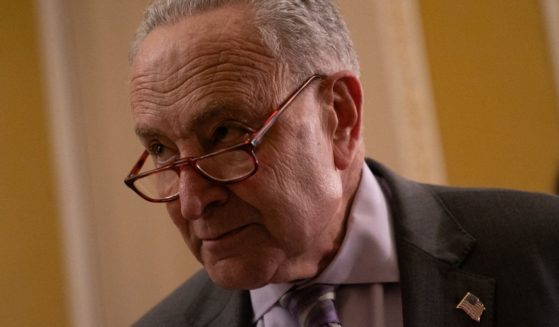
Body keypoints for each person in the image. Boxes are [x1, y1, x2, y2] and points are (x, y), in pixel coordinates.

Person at [124, 0, 559, 326]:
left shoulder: (542, 249)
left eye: (224, 134)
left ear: (340, 117)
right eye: (161, 149)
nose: (192, 202)